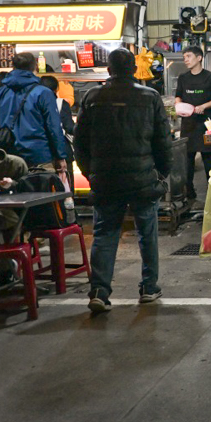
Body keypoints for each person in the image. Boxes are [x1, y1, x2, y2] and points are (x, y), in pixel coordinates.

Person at [74, 48, 173, 314]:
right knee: (147, 234)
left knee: (105, 234)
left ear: (108, 70)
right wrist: (162, 172)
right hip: (142, 178)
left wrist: (90, 173)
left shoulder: (92, 97)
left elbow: (79, 142)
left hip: (105, 180)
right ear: (133, 69)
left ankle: (99, 291)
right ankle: (149, 288)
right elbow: (163, 141)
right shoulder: (150, 97)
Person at [0, 53, 67, 174]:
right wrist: (60, 156)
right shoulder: (43, 93)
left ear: (13, 66)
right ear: (34, 67)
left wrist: (6, 138)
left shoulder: (1, 92)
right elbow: (54, 127)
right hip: (39, 156)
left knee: (13, 190)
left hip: (10, 157)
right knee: (42, 191)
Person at [174, 46, 211, 201]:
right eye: (184, 57)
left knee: (210, 160)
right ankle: (189, 193)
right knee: (187, 160)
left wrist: (204, 106)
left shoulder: (210, 77)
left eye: (188, 56)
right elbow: (178, 96)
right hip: (188, 124)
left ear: (199, 58)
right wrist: (179, 106)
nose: (186, 60)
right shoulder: (183, 78)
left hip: (209, 124)